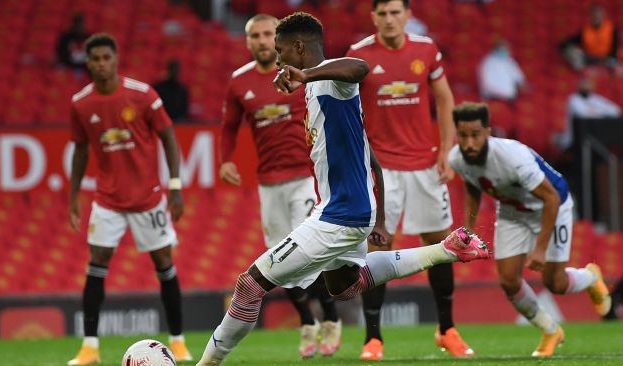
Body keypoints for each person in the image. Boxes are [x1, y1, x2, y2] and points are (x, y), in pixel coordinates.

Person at [195, 12, 491, 366]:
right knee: (344, 286)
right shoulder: (316, 88)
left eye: (281, 50)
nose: (278, 59)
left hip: (340, 214)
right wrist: (379, 218)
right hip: (349, 210)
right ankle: (446, 248)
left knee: (249, 286)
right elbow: (372, 159)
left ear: (299, 47)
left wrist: (307, 74)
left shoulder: (332, 79)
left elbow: (359, 68)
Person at [346, 0, 467, 359]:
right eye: (382, 13)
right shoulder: (359, 55)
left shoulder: (426, 49)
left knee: (441, 245)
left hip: (425, 167)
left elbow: (445, 100)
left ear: (407, 15)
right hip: (381, 170)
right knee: (378, 249)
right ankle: (373, 339)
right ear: (373, 18)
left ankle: (447, 330)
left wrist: (446, 150)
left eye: (395, 12)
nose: (389, 19)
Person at [219, 14, 342, 358]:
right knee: (278, 257)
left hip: (306, 177)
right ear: (248, 42)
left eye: (267, 34)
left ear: (278, 38)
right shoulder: (238, 82)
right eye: (254, 35)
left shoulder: (300, 72)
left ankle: (331, 318)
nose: (261, 40)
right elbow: (229, 126)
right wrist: (226, 159)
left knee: (309, 250)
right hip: (269, 182)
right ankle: (307, 321)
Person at [449, 101, 612, 357]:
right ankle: (550, 330)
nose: (469, 143)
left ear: (488, 133)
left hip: (553, 206)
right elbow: (473, 187)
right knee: (508, 281)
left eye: (475, 135)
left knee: (555, 283)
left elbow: (551, 199)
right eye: (463, 135)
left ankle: (591, 277)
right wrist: (467, 231)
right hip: (512, 212)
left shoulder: (512, 158)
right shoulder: (457, 158)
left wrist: (540, 249)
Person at [67, 34, 192, 365]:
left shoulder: (142, 95)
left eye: (106, 57)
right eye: (94, 59)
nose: (100, 64)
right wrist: (73, 196)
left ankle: (177, 341)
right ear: (88, 62)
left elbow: (168, 136)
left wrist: (175, 186)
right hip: (107, 200)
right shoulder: (81, 103)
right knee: (97, 261)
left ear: (116, 58)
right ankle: (89, 348)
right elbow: (80, 150)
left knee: (164, 262)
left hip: (148, 198)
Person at [555, 75, 621, 151]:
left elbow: (615, 110)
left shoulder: (594, 98)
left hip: (595, 135)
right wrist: (600, 112)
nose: (586, 86)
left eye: (587, 84)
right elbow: (582, 113)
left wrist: (595, 111)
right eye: (583, 84)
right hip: (575, 139)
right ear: (578, 85)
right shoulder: (573, 99)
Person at [561, 3, 619, 71]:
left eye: (599, 14)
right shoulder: (585, 30)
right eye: (594, 14)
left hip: (607, 59)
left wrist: (608, 58)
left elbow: (615, 47)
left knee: (614, 64)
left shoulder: (612, 28)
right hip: (589, 59)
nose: (597, 16)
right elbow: (572, 41)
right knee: (572, 53)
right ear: (590, 16)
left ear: (604, 15)